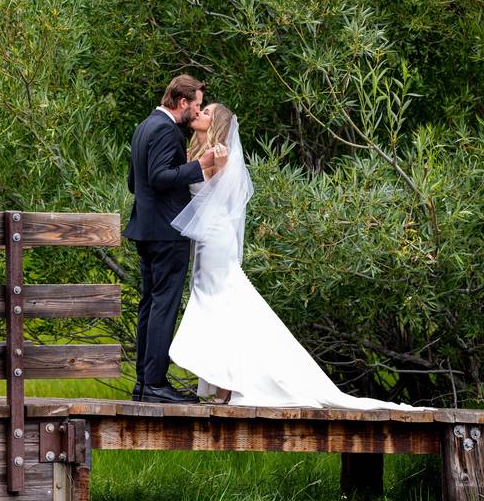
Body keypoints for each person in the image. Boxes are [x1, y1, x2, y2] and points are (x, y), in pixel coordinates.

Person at [169, 103, 424, 410]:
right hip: (205, 236)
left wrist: (205, 167)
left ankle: (227, 384)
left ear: (217, 124)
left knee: (218, 300)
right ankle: (224, 381)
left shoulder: (221, 152)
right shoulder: (197, 149)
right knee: (215, 299)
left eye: (206, 112)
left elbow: (218, 193)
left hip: (215, 236)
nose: (199, 113)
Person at [122, 74, 220, 404]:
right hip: (167, 232)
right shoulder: (166, 130)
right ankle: (155, 384)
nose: (197, 110)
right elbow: (159, 177)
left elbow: (135, 182)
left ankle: (143, 383)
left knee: (150, 305)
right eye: (196, 105)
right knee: (163, 306)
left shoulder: (143, 127)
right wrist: (199, 166)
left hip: (147, 230)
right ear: (181, 103)